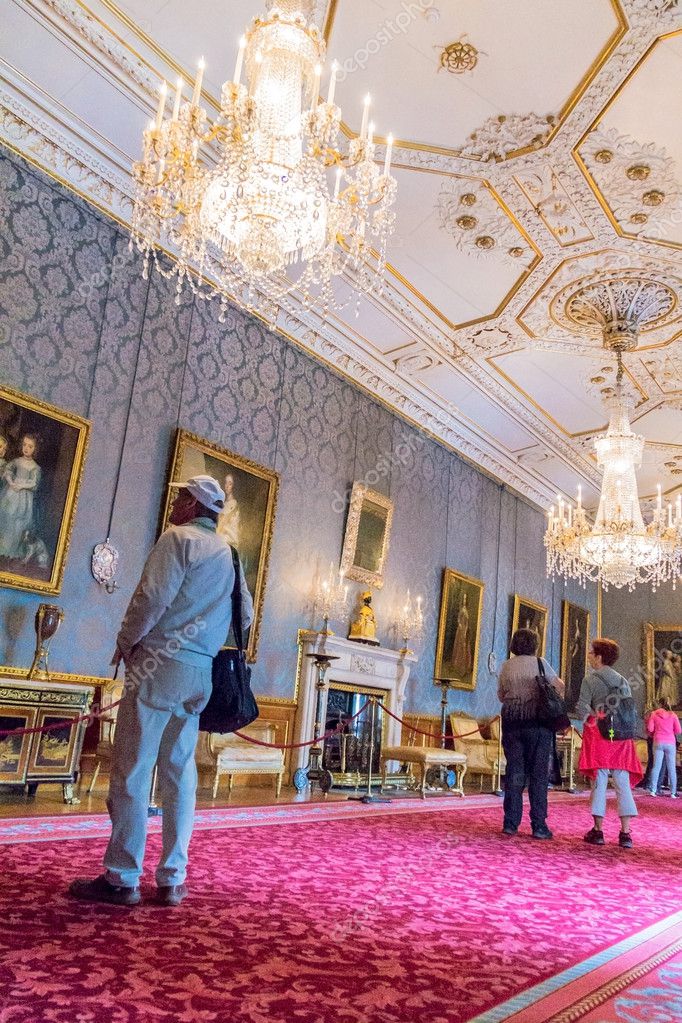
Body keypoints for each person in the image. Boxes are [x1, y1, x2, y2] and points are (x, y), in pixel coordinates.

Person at [70, 474, 253, 907]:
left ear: (193, 505)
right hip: (200, 673)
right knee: (179, 771)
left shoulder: (177, 539)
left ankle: (121, 876)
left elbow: (151, 598)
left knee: (133, 769)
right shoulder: (231, 554)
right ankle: (173, 877)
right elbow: (244, 616)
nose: (173, 501)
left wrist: (125, 642)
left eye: (179, 496)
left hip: (159, 663)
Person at [497, 628, 564, 839]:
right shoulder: (540, 663)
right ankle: (538, 825)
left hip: (512, 724)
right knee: (538, 775)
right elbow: (559, 686)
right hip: (538, 725)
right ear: (534, 644)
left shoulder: (507, 666)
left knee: (514, 773)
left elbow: (501, 695)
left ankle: (510, 823)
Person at [578, 638, 643, 849]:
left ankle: (598, 831)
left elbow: (581, 708)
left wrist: (594, 717)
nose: (588, 656)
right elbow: (627, 709)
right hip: (620, 736)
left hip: (600, 734)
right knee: (622, 782)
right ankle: (625, 834)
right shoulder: (623, 680)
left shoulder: (590, 680)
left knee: (600, 780)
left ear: (598, 657)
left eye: (590, 653)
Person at [0, 433, 41, 559]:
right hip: (10, 494)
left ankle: (11, 550)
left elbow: (34, 483)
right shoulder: (16, 461)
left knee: (18, 522)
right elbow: (7, 470)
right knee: (6, 517)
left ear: (35, 449)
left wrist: (22, 485)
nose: (26, 448)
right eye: (24, 445)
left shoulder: (35, 467)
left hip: (23, 498)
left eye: (30, 446)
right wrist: (11, 482)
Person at [646, 697, 680, 797]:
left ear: (660, 704)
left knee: (656, 766)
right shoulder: (673, 715)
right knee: (671, 768)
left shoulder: (654, 714)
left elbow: (650, 728)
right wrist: (669, 731)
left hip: (658, 741)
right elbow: (678, 730)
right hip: (670, 743)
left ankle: (653, 790)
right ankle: (673, 793)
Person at [216, 471, 240, 547]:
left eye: (230, 483)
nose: (226, 486)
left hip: (226, 542)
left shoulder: (234, 505)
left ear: (234, 485)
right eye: (226, 482)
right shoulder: (223, 503)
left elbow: (231, 529)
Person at [451, 593, 473, 676]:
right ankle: (457, 665)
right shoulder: (462, 610)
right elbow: (458, 620)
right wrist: (461, 627)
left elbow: (467, 623)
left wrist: (466, 630)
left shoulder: (467, 611)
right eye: (463, 599)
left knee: (465, 648)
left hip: (465, 630)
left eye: (465, 599)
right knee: (459, 646)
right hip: (460, 630)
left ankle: (463, 667)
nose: (464, 601)